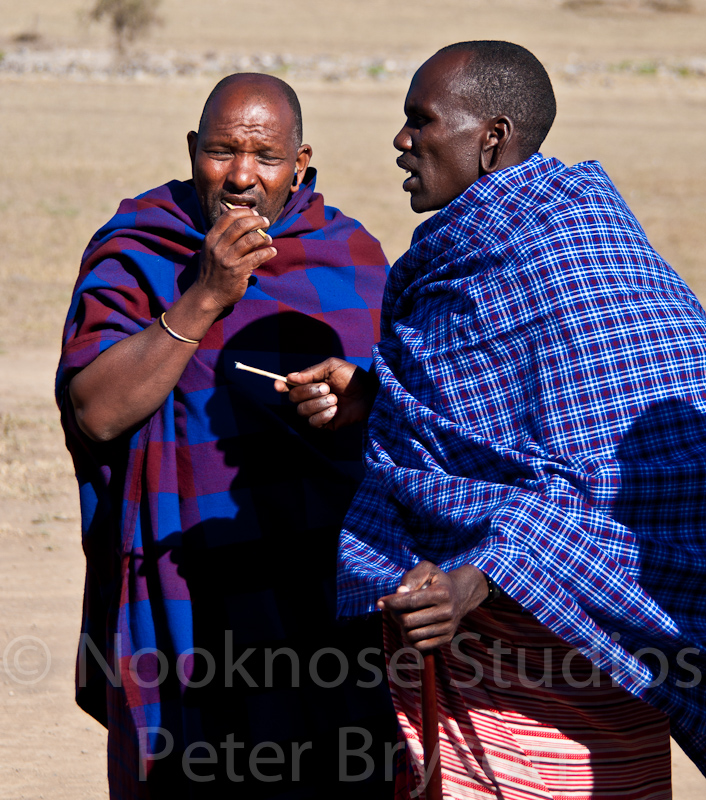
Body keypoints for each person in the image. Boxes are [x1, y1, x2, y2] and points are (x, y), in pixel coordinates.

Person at [283, 42, 706, 798]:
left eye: (422, 120)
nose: (401, 140)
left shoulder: (575, 250)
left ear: (491, 137)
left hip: (594, 636)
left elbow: (614, 471)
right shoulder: (493, 248)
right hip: (491, 640)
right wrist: (378, 398)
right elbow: (497, 424)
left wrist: (476, 580)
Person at [56, 73, 398, 798]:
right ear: (191, 151)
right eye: (220, 152)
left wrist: (361, 402)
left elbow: (410, 416)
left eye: (265, 157)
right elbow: (97, 413)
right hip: (184, 586)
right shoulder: (143, 247)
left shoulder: (350, 256)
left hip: (324, 595)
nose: (242, 177)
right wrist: (206, 293)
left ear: (300, 163)